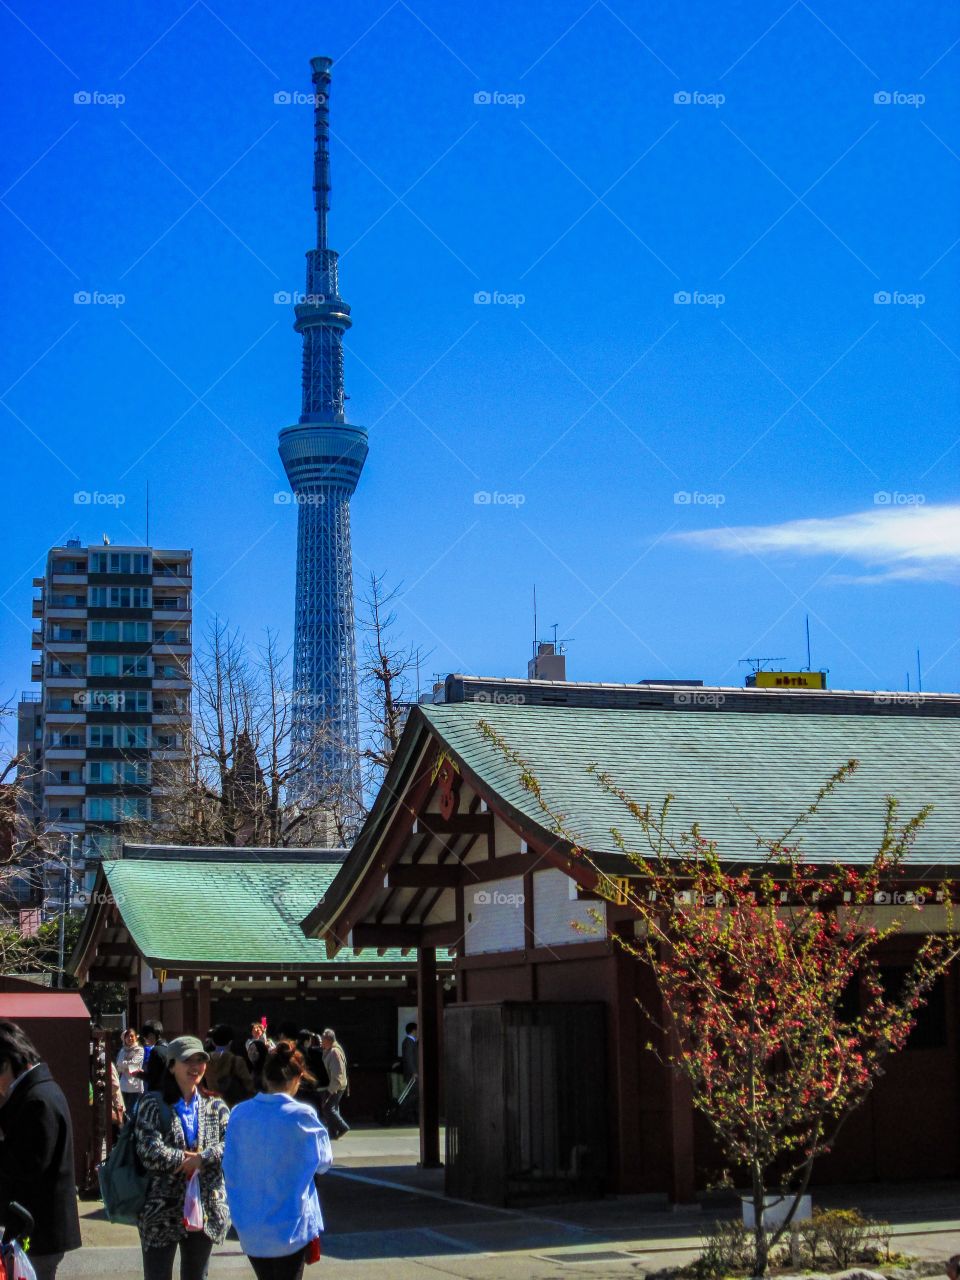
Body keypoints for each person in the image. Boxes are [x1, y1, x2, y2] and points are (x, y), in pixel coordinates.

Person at [223, 1041, 332, 1279]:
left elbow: (229, 1166)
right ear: (298, 1077)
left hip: (250, 1222)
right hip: (290, 1223)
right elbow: (324, 1162)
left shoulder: (239, 1113)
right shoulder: (302, 1116)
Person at [135, 1035, 230, 1280]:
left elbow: (231, 1146)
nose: (195, 1066)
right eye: (187, 1060)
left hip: (205, 1205)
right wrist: (183, 1159)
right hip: (160, 1207)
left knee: (197, 1274)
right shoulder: (152, 1104)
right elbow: (148, 1149)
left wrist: (203, 1158)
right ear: (171, 1065)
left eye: (200, 1060)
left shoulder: (215, 1105)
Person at [0, 1021, 82, 1280]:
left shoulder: (37, 1100)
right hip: (38, 1228)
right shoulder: (38, 1091)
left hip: (37, 1230)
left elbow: (26, 1166)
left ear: (5, 1064)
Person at [205, 1024, 254, 1108]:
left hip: (210, 1106)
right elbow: (250, 1087)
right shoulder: (237, 1061)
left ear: (213, 1042)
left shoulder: (204, 1061)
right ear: (231, 1042)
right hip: (233, 1108)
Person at [318, 1028, 349, 1140]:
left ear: (328, 1039)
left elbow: (338, 1072)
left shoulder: (334, 1052)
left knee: (328, 1108)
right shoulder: (329, 1050)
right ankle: (333, 1132)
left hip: (336, 1085)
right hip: (335, 1084)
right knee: (333, 1108)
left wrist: (331, 1090)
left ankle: (342, 1127)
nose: (321, 1041)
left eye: (323, 1039)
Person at [116, 1027, 145, 1115]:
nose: (130, 1038)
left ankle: (132, 1128)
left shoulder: (139, 1050)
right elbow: (118, 1065)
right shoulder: (122, 1050)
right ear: (124, 1039)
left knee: (132, 1110)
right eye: (127, 1037)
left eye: (132, 1036)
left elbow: (134, 1065)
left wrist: (124, 1066)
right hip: (124, 1084)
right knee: (123, 1110)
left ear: (136, 1037)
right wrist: (127, 1066)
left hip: (135, 1085)